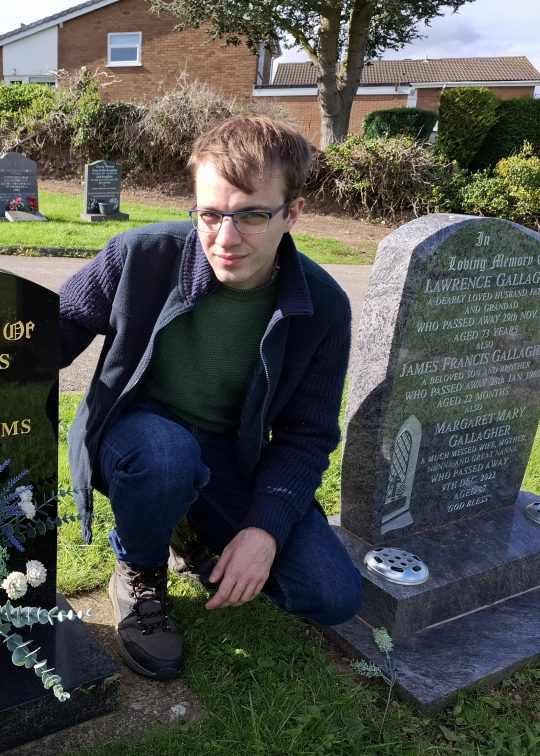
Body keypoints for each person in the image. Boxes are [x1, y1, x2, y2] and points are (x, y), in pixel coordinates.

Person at [58, 114, 362, 680]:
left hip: (228, 454)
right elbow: (41, 336)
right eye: (210, 214)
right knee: (166, 456)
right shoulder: (140, 255)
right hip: (139, 435)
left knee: (330, 594)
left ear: (292, 213)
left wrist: (264, 529)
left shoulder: (322, 307)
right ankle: (139, 564)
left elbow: (306, 435)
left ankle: (187, 526)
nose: (225, 238)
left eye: (250, 215)